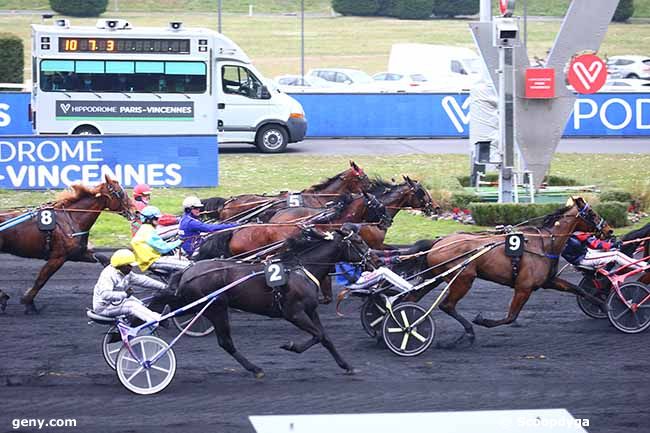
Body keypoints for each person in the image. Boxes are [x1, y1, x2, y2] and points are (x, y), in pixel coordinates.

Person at [92, 249, 165, 324]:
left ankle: (147, 323)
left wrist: (164, 287)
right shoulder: (108, 275)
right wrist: (125, 294)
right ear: (122, 265)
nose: (131, 268)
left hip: (115, 302)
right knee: (132, 306)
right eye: (129, 266)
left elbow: (142, 280)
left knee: (141, 305)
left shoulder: (124, 272)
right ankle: (158, 320)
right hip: (104, 307)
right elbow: (105, 295)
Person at [131, 206, 189, 274]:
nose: (158, 220)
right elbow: (163, 248)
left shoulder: (144, 229)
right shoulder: (148, 231)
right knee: (189, 266)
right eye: (156, 218)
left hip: (150, 260)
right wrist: (179, 241)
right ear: (149, 219)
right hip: (154, 261)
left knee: (184, 259)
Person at [562, 231, 648, 271]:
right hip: (583, 258)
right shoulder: (575, 233)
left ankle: (610, 269)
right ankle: (644, 266)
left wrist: (611, 245)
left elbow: (593, 243)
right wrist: (612, 244)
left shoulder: (570, 233)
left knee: (613, 250)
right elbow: (595, 244)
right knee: (616, 255)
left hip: (585, 253)